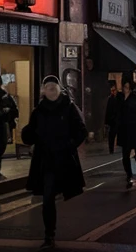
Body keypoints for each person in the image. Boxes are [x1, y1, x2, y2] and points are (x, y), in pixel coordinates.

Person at [21, 75, 86, 250]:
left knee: (63, 191)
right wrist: (26, 133)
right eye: (47, 87)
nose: (50, 90)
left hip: (64, 158)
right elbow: (30, 134)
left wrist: (70, 145)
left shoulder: (69, 108)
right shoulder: (39, 111)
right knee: (47, 198)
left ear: (58, 90)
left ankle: (51, 233)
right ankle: (49, 234)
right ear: (44, 90)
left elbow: (81, 131)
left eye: (53, 87)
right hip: (46, 160)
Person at [104, 81, 121, 154]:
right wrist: (107, 122)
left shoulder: (120, 97)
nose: (112, 92)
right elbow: (108, 111)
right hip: (113, 120)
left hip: (119, 119)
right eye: (111, 91)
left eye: (113, 90)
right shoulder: (110, 99)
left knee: (120, 135)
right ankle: (111, 149)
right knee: (111, 135)